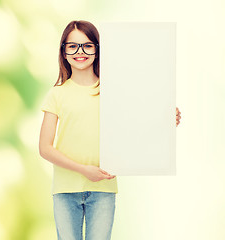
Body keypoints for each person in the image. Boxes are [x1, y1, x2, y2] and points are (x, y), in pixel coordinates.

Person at [39, 20, 181, 240]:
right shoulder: (57, 94)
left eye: (88, 45)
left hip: (104, 188)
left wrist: (165, 119)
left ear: (97, 49)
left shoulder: (114, 91)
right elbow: (45, 148)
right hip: (66, 189)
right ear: (64, 52)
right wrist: (84, 169)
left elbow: (137, 125)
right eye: (73, 46)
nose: (80, 52)